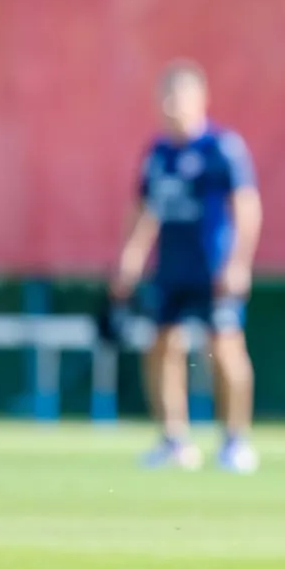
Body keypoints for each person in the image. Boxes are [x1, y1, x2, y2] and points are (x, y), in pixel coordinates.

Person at [111, 59, 263, 474]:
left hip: (213, 269)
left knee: (226, 349)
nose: (169, 104)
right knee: (161, 347)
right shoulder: (157, 153)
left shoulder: (220, 147)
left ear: (200, 99)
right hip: (171, 269)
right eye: (164, 95)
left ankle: (235, 441)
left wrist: (238, 264)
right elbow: (143, 209)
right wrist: (130, 257)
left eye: (178, 95)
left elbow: (246, 207)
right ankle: (173, 440)